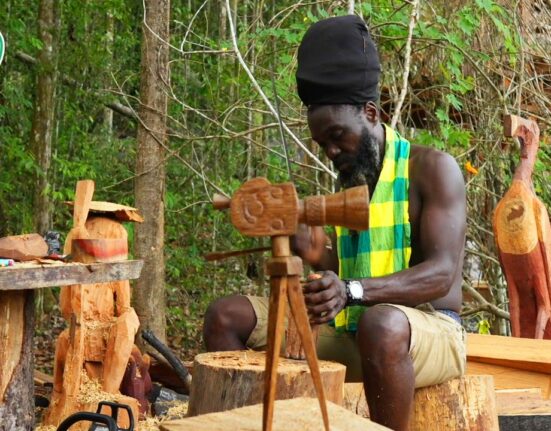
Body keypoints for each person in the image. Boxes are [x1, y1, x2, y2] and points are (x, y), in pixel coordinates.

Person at [203, 15, 466, 431]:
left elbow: (440, 275)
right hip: (356, 332)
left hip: (428, 332)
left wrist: (350, 290)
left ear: (371, 112)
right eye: (322, 143)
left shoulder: (432, 168)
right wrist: (316, 255)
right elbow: (350, 274)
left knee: (382, 323)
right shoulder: (353, 176)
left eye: (338, 136)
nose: (331, 151)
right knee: (226, 316)